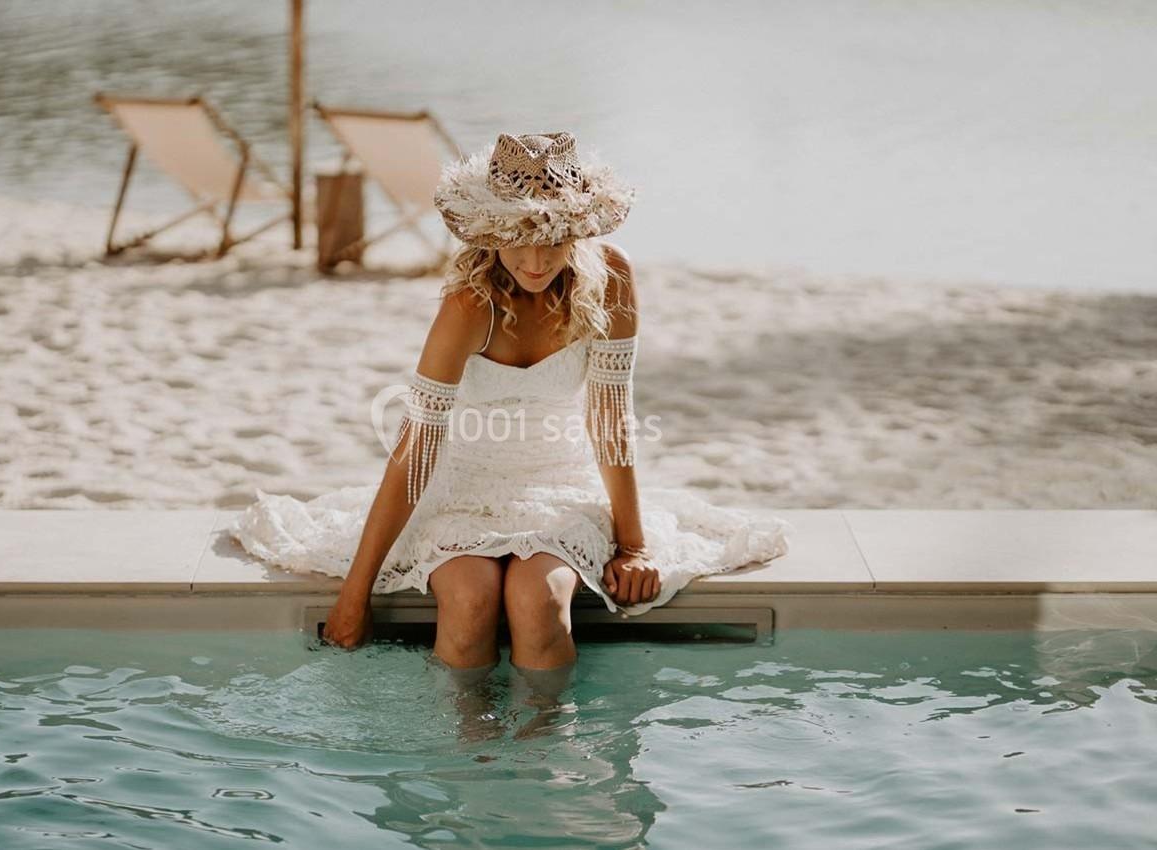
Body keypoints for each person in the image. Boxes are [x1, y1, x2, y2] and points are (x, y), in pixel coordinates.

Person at [231, 131, 793, 695]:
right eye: (519, 238)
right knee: (471, 603)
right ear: (490, 231)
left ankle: (547, 762)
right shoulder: (469, 304)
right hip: (462, 485)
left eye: (554, 238)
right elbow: (418, 446)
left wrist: (633, 544)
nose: (536, 259)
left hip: (560, 483)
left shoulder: (612, 277)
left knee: (539, 601)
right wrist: (354, 595)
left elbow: (610, 419)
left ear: (577, 230)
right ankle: (468, 762)